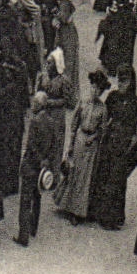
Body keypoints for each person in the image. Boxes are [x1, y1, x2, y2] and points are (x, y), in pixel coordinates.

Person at [89, 65, 137, 230]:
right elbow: (104, 116)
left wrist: (131, 146)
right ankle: (97, 212)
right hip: (109, 142)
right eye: (119, 80)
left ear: (131, 82)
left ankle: (112, 217)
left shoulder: (134, 102)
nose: (121, 83)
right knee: (103, 175)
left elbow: (134, 126)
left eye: (124, 80)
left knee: (117, 180)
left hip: (123, 144)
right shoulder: (112, 97)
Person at [56, 71, 108, 222]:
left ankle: (78, 212)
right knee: (73, 172)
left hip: (91, 145)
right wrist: (71, 144)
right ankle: (67, 204)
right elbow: (74, 124)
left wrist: (94, 137)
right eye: (93, 87)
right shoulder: (83, 102)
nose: (95, 91)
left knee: (84, 178)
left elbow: (102, 130)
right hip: (80, 138)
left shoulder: (102, 109)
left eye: (98, 89)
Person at [14, 91, 63, 247]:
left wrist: (38, 159)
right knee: (37, 198)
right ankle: (33, 229)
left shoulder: (35, 121)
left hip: (31, 165)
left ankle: (23, 235)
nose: (32, 105)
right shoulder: (51, 121)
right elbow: (56, 144)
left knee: (25, 200)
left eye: (34, 103)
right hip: (43, 169)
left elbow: (31, 145)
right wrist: (47, 160)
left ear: (39, 105)